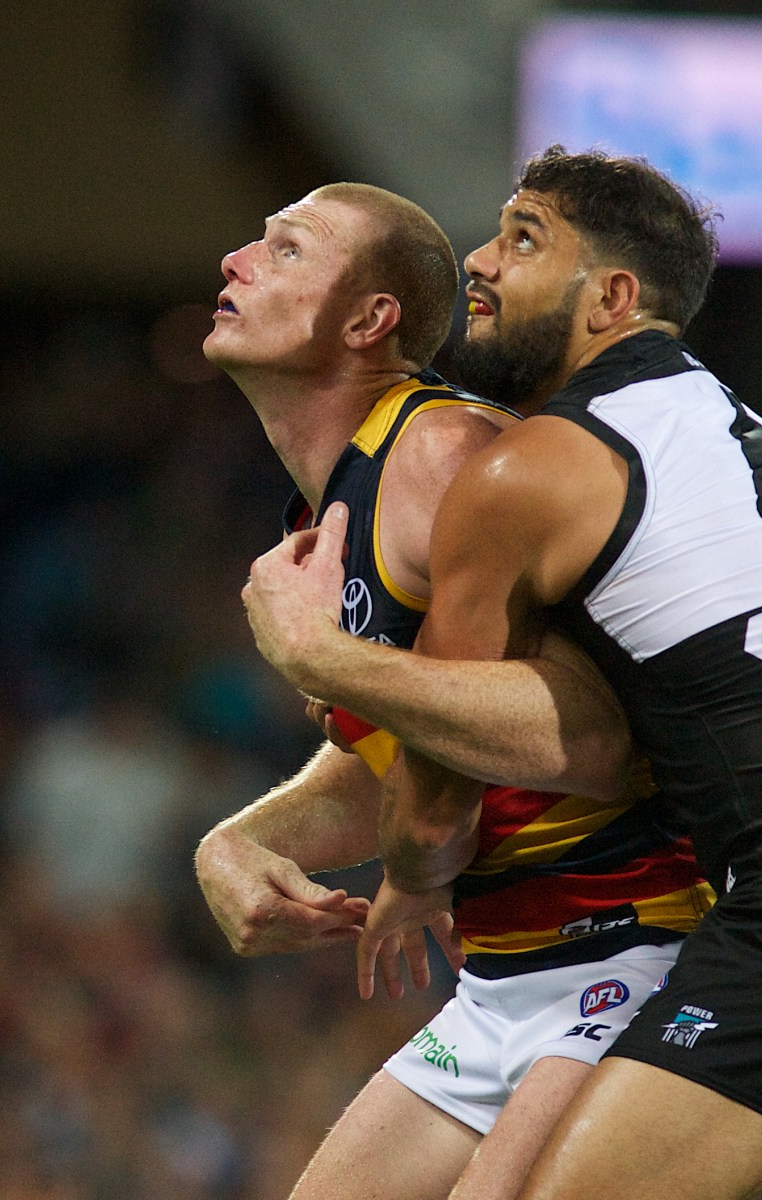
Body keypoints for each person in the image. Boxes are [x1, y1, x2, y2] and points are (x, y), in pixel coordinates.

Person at [239, 147, 762, 1200]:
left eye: (524, 238)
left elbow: (440, 807)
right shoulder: (756, 439)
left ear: (613, 298)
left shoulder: (526, 466)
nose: (481, 262)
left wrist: (318, 659)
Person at [195, 179, 713, 1200]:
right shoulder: (332, 495)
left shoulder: (438, 452)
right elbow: (414, 739)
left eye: (286, 249)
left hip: (636, 949)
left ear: (369, 318)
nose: (236, 263)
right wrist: (239, 841)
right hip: (503, 979)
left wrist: (417, 852)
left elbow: (590, 734)